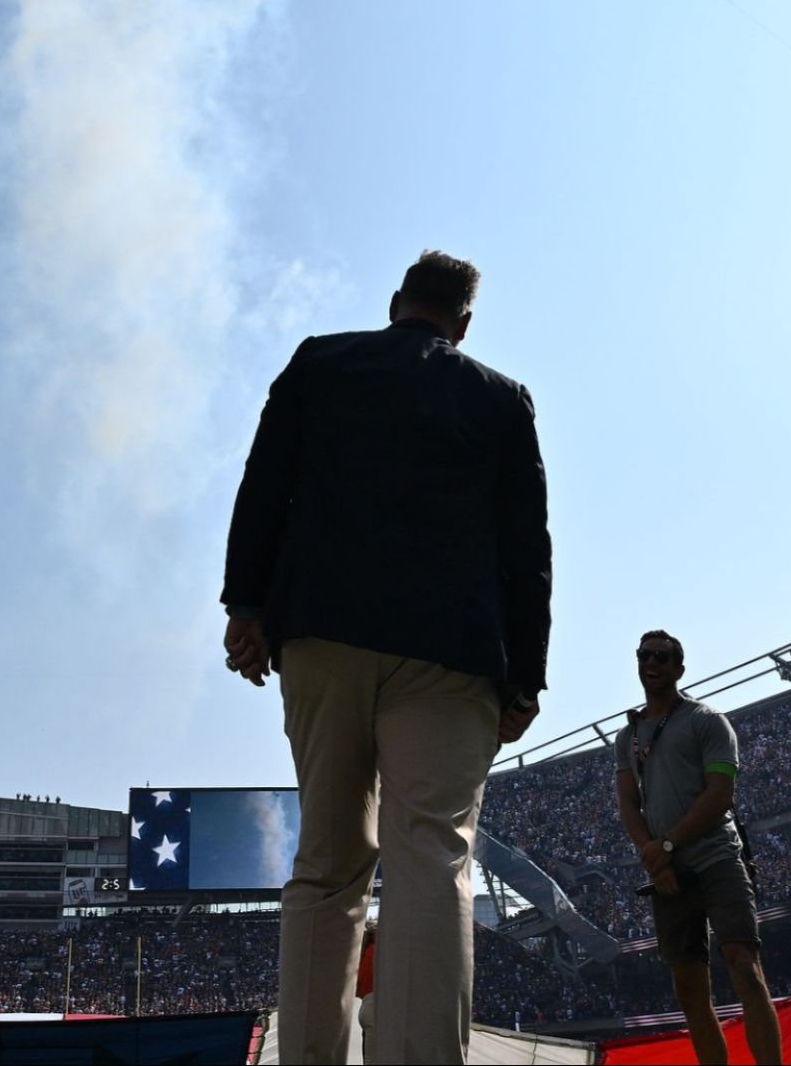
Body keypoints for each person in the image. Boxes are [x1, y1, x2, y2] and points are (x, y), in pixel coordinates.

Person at [221, 250, 553, 1065]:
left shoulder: (321, 361)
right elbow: (527, 550)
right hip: (450, 652)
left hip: (324, 634)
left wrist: (245, 606)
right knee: (432, 861)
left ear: (396, 302)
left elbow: (263, 485)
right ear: (463, 323)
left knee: (327, 866)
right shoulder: (502, 400)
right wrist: (527, 675)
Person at [617, 630, 778, 1065]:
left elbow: (720, 793)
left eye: (662, 657)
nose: (652, 662)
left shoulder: (707, 720)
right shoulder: (627, 737)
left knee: (743, 964)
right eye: (644, 655)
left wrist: (666, 844)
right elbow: (628, 803)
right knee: (688, 988)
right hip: (668, 872)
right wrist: (654, 856)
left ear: (679, 668)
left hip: (717, 857)